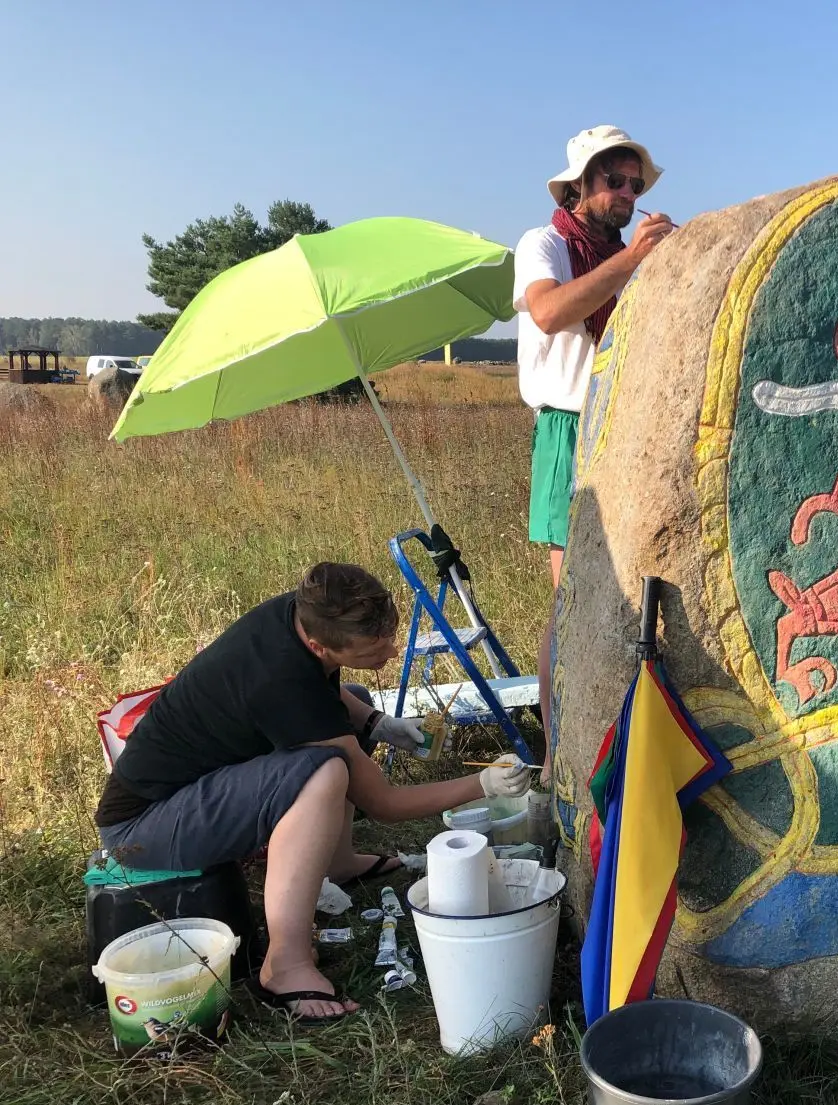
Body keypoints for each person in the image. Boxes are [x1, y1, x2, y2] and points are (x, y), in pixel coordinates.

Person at [94, 562, 533, 1021]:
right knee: (325, 770)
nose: (391, 648)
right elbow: (383, 804)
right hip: (142, 828)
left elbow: (322, 695)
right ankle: (284, 963)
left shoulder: (302, 614)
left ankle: (338, 862)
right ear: (320, 642)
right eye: (376, 644)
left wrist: (375, 722)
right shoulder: (278, 680)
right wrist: (479, 784)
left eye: (389, 633)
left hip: (181, 792)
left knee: (355, 700)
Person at [514, 125, 673, 773]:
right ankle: (558, 754)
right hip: (567, 427)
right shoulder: (545, 242)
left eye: (634, 183)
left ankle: (612, 736)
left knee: (623, 594)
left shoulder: (620, 252)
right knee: (572, 599)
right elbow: (549, 313)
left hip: (623, 421)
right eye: (613, 179)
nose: (626, 193)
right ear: (580, 184)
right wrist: (633, 261)